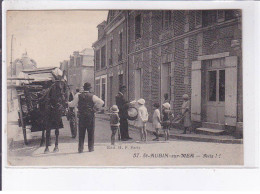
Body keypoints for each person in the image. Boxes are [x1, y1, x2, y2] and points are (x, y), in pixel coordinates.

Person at [68, 82, 104, 153]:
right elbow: (102, 102)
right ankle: (90, 148)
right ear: (90, 89)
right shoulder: (92, 96)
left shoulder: (78, 95)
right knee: (91, 132)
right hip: (90, 115)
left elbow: (72, 104)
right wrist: (95, 108)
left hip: (82, 116)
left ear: (83, 88)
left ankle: (80, 149)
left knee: (81, 132)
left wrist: (67, 103)